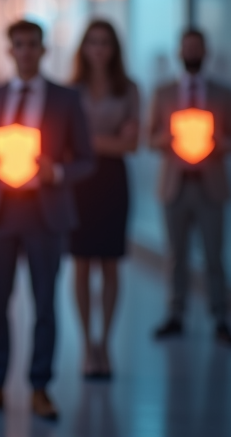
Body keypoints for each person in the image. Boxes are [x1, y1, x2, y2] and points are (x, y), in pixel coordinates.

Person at [0, 20, 94, 421]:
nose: (25, 51)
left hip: (45, 214)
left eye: (32, 45)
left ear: (43, 50)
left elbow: (86, 159)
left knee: (45, 305)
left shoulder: (65, 99)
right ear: (10, 51)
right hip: (0, 213)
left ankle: (40, 386)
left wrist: (57, 172)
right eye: (18, 45)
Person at [149, 29, 231, 347]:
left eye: (196, 47)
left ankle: (221, 317)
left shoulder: (222, 94)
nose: (191, 52)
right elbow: (150, 137)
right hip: (175, 185)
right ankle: (176, 314)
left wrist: (217, 143)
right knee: (176, 256)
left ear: (205, 51)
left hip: (210, 185)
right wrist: (167, 139)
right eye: (186, 47)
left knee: (214, 256)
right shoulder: (163, 93)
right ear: (179, 52)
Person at [69, 20, 139, 379]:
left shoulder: (129, 89)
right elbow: (63, 143)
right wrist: (107, 140)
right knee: (81, 263)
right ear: (83, 48)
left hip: (112, 182)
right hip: (79, 183)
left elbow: (131, 144)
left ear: (114, 49)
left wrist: (86, 141)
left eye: (105, 43)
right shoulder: (70, 90)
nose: (98, 49)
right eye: (93, 42)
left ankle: (105, 343)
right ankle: (86, 344)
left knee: (111, 263)